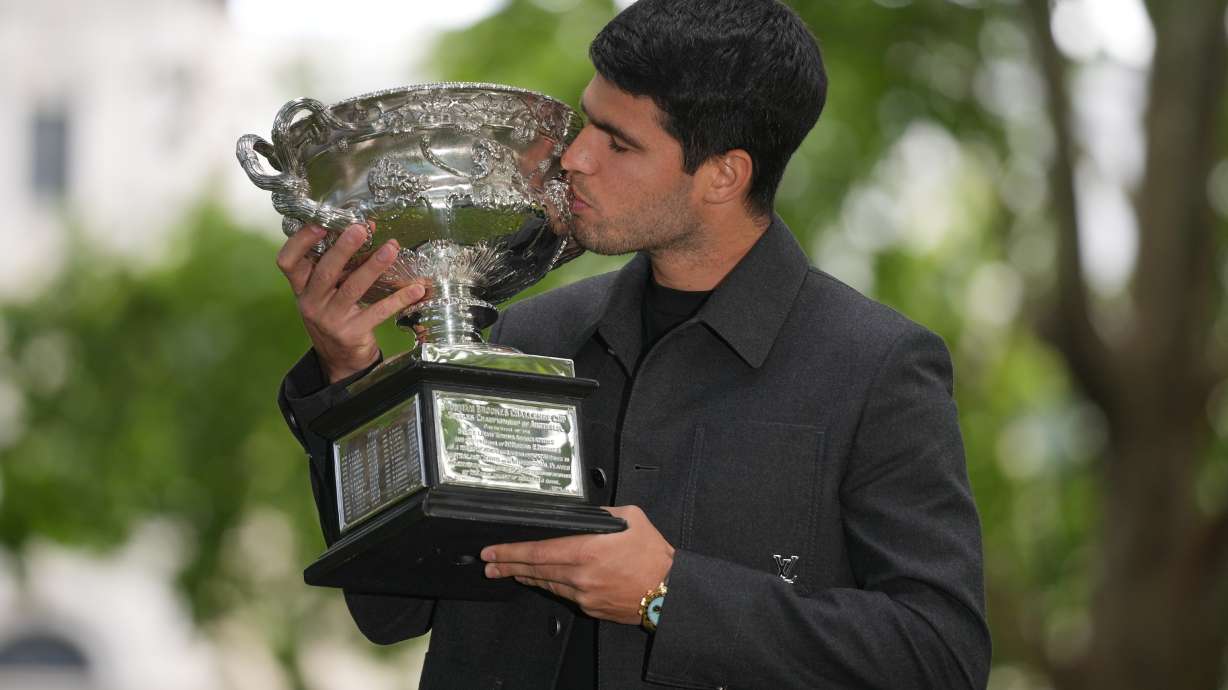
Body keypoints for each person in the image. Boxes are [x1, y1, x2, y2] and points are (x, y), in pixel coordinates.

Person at [275, 0, 991, 687]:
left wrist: (667, 593)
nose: (576, 158)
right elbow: (392, 608)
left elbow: (940, 655)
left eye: (619, 143)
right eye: (588, 123)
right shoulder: (526, 333)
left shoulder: (877, 367)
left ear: (723, 175)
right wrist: (351, 382)